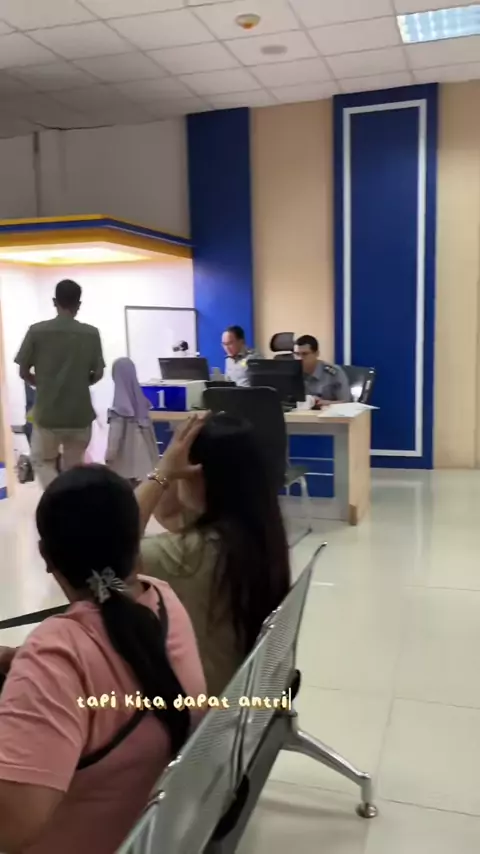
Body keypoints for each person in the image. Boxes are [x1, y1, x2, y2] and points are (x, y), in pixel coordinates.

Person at [0, 464, 206, 854]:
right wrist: (27, 670)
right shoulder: (162, 601)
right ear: (135, 542)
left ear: (46, 556)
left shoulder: (58, 653)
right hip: (155, 833)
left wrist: (37, 674)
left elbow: (10, 827)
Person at [137, 413, 291, 696]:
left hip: (199, 710)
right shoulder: (257, 533)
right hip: (243, 700)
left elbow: (110, 546)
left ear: (197, 476)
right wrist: (173, 470)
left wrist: (162, 472)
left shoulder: (187, 556)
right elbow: (167, 513)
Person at [15, 279, 105, 490]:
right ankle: (71, 497)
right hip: (80, 415)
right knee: (74, 466)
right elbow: (99, 373)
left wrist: (41, 384)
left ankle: (57, 495)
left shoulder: (36, 331)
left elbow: (23, 371)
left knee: (41, 461)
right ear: (78, 304)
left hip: (48, 414)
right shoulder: (91, 334)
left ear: (54, 301)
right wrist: (80, 382)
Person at [106, 357, 158, 485]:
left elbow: (115, 439)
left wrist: (108, 457)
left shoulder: (119, 407)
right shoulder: (143, 404)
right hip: (146, 462)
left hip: (125, 467)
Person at [294, 335, 351, 406]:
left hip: (328, 412)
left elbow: (346, 403)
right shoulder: (291, 372)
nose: (299, 358)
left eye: (305, 354)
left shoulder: (333, 373)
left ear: (316, 354)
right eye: (297, 354)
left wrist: (323, 403)